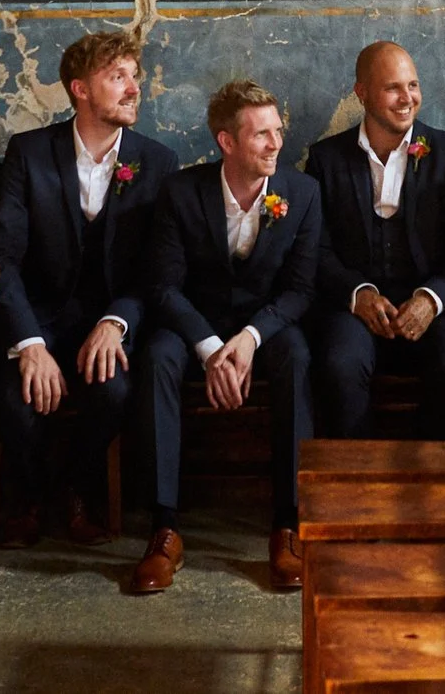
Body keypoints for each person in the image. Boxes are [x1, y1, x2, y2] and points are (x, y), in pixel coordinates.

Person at [0, 30, 177, 547]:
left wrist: (117, 323)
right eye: (118, 77)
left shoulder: (156, 161)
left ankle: (76, 492)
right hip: (38, 318)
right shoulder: (29, 153)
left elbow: (155, 267)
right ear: (80, 89)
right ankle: (28, 496)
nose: (134, 88)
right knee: (10, 397)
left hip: (108, 320)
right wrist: (28, 343)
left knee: (113, 392)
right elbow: (2, 256)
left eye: (135, 76)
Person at [132, 80, 322, 596]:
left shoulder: (301, 193)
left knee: (298, 356)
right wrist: (213, 348)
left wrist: (250, 339)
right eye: (261, 135)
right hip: (194, 327)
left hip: (264, 327)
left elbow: (302, 290)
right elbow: (163, 286)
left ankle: (288, 525)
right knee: (155, 358)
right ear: (226, 142)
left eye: (277, 132)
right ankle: (164, 528)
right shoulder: (181, 192)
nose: (275, 144)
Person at [302, 42, 445, 442]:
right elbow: (316, 248)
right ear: (361, 92)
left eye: (413, 85)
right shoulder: (326, 159)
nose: (407, 98)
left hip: (433, 308)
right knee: (338, 364)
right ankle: (357, 483)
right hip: (356, 309)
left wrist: (431, 299)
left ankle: (430, 481)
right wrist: (356, 294)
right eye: (393, 88)